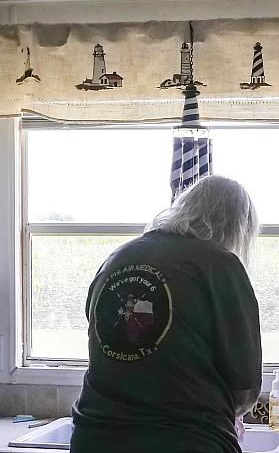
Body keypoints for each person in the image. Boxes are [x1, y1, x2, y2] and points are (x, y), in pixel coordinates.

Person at [72, 176, 262, 453]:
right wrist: (233, 413)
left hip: (94, 436)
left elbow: (104, 341)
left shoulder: (118, 257)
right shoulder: (220, 265)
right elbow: (245, 386)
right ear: (238, 227)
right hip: (186, 440)